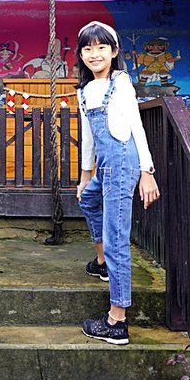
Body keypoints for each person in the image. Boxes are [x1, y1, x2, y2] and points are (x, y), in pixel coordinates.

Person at [74, 20, 160, 345]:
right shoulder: (83, 92)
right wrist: (84, 178)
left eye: (101, 47)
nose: (94, 53)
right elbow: (88, 139)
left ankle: (116, 321)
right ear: (81, 54)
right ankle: (102, 264)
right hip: (105, 165)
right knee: (86, 200)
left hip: (124, 162)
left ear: (113, 51)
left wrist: (147, 172)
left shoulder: (120, 81)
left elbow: (136, 125)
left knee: (116, 240)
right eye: (87, 48)